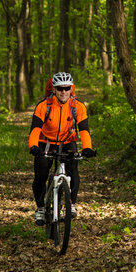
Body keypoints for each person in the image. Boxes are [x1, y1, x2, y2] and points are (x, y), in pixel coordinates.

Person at [28, 72, 96, 225]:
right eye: (60, 89)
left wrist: (88, 148)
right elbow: (35, 129)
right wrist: (33, 145)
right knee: (41, 174)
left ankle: (71, 203)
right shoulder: (43, 106)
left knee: (73, 171)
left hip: (67, 141)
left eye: (67, 88)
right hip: (45, 142)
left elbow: (84, 129)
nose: (63, 92)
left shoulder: (77, 106)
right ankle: (40, 208)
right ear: (54, 89)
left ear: (71, 89)